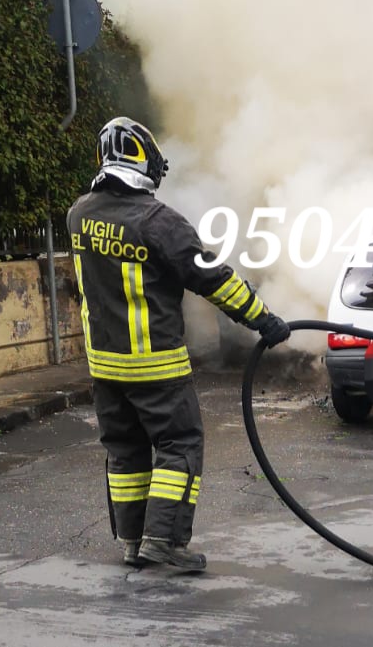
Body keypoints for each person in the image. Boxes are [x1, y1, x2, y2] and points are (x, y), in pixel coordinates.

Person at [68, 117, 291, 571]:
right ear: (143, 162)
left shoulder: (79, 214)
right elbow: (213, 279)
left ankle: (132, 541)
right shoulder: (159, 222)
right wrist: (263, 320)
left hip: (105, 368)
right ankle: (165, 540)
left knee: (125, 451)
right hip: (155, 366)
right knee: (180, 444)